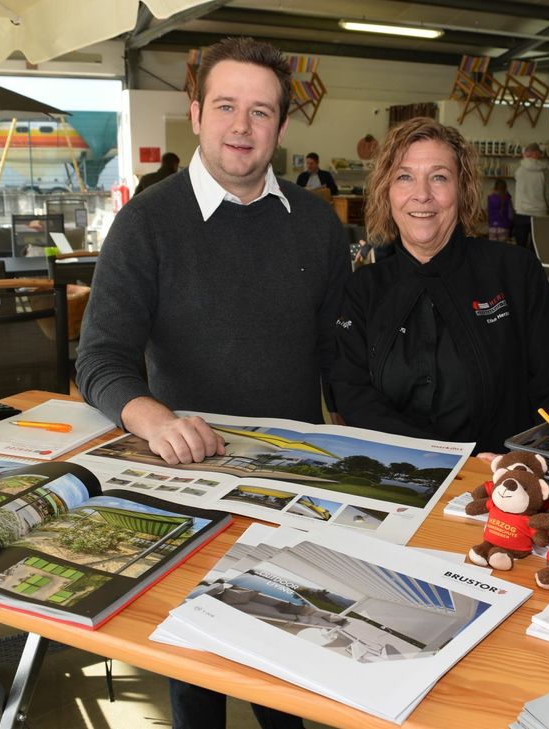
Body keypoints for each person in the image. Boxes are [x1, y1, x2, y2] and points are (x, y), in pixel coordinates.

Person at [75, 37, 349, 729]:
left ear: (281, 126)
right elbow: (100, 358)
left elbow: (341, 360)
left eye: (261, 111)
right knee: (196, 685)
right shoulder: (147, 223)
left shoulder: (318, 225)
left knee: (287, 679)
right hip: (188, 485)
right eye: (226, 106)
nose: (241, 127)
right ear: (196, 113)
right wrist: (153, 418)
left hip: (291, 494)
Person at [330, 117, 549, 454]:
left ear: (463, 189)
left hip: (501, 476)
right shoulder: (363, 289)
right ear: (386, 192)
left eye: (439, 177)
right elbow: (352, 393)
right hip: (396, 469)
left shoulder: (516, 272)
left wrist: (524, 460)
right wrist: (438, 460)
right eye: (404, 177)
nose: (422, 195)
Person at [511, 142, 549, 249]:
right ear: (536, 153)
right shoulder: (545, 171)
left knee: (520, 247)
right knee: (537, 247)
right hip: (539, 214)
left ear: (527, 153)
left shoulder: (518, 170)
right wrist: (548, 208)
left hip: (521, 212)